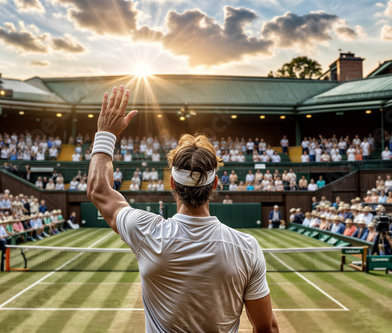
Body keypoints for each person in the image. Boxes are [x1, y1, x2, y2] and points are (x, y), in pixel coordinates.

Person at [87, 87, 278, 332]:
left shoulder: (145, 231)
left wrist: (105, 133)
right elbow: (267, 328)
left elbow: (98, 190)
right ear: (215, 184)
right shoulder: (247, 248)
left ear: (173, 183)